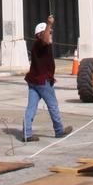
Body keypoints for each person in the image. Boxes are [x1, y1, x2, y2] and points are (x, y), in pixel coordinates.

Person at [22, 14, 73, 143]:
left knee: (31, 108)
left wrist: (49, 27)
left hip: (34, 81)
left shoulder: (38, 45)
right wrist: (49, 24)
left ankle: (27, 134)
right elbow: (44, 40)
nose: (50, 34)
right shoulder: (41, 43)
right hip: (42, 82)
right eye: (49, 32)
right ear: (40, 34)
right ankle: (59, 130)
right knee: (53, 106)